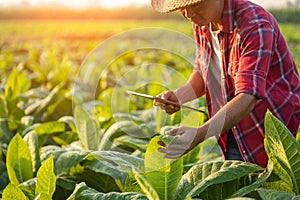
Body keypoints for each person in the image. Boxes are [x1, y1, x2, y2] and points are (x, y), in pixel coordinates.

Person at [151, 0, 300, 168]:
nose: (189, 14)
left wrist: (199, 134)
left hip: (268, 129)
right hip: (230, 124)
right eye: (182, 9)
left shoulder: (254, 25)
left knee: (272, 189)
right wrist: (178, 96)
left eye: (195, 5)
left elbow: (247, 97)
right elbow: (203, 69)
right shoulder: (202, 22)